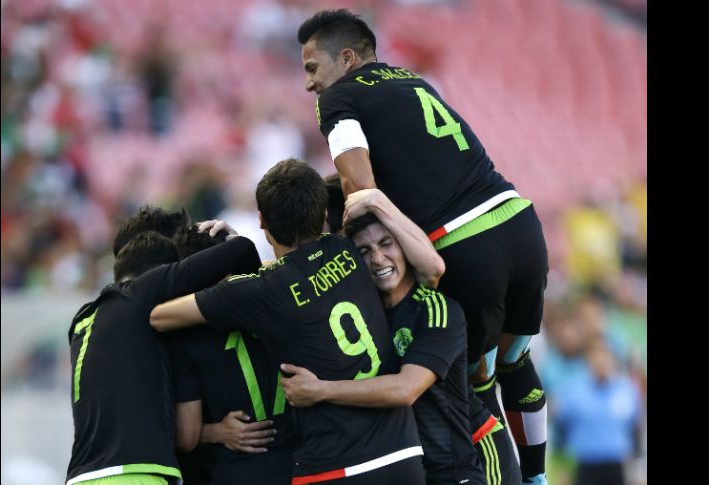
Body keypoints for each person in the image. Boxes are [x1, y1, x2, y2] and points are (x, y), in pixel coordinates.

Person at [298, 10, 550, 485]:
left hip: (465, 244)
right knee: (516, 361)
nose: (309, 82)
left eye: (312, 68)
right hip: (520, 222)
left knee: (473, 386)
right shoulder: (413, 81)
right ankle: (538, 477)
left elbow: (359, 187)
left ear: (347, 58)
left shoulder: (337, 98)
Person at [150, 158, 425, 484]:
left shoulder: (260, 291)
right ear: (323, 214)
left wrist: (225, 255)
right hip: (403, 453)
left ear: (262, 221)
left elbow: (159, 316)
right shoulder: (347, 249)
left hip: (334, 465)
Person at [282, 188, 520, 485]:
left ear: (404, 246)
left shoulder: (435, 310)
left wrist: (320, 390)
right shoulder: (363, 314)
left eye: (386, 244)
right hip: (415, 469)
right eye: (364, 251)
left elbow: (405, 389)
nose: (378, 258)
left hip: (472, 458)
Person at [66, 209, 261, 485]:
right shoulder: (142, 294)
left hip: (81, 476)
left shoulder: (84, 320)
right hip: (136, 474)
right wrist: (229, 237)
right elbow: (243, 250)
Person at [166, 220, 294, 484]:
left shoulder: (183, 334)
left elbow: (187, 436)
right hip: (300, 465)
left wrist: (214, 432)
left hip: (236, 472)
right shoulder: (279, 295)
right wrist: (240, 249)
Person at [552, 337, 643, 485]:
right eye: (596, 355)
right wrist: (563, 467)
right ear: (588, 360)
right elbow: (560, 430)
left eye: (605, 355)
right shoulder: (573, 392)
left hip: (616, 465)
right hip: (584, 465)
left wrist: (637, 466)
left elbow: (636, 430)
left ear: (612, 359)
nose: (601, 360)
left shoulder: (626, 391)